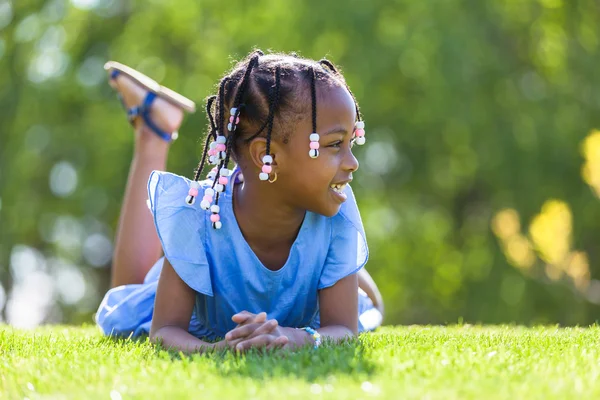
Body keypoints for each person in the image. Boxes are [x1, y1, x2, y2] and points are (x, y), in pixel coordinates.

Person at [95, 50, 384, 353]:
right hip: (203, 279)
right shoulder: (200, 216)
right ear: (265, 155)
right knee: (130, 292)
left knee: (373, 304)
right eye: (335, 144)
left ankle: (348, 270)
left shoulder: (336, 211)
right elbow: (164, 330)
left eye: (351, 142)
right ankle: (153, 131)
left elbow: (344, 330)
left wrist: (294, 338)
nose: (353, 163)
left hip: (309, 268)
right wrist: (216, 350)